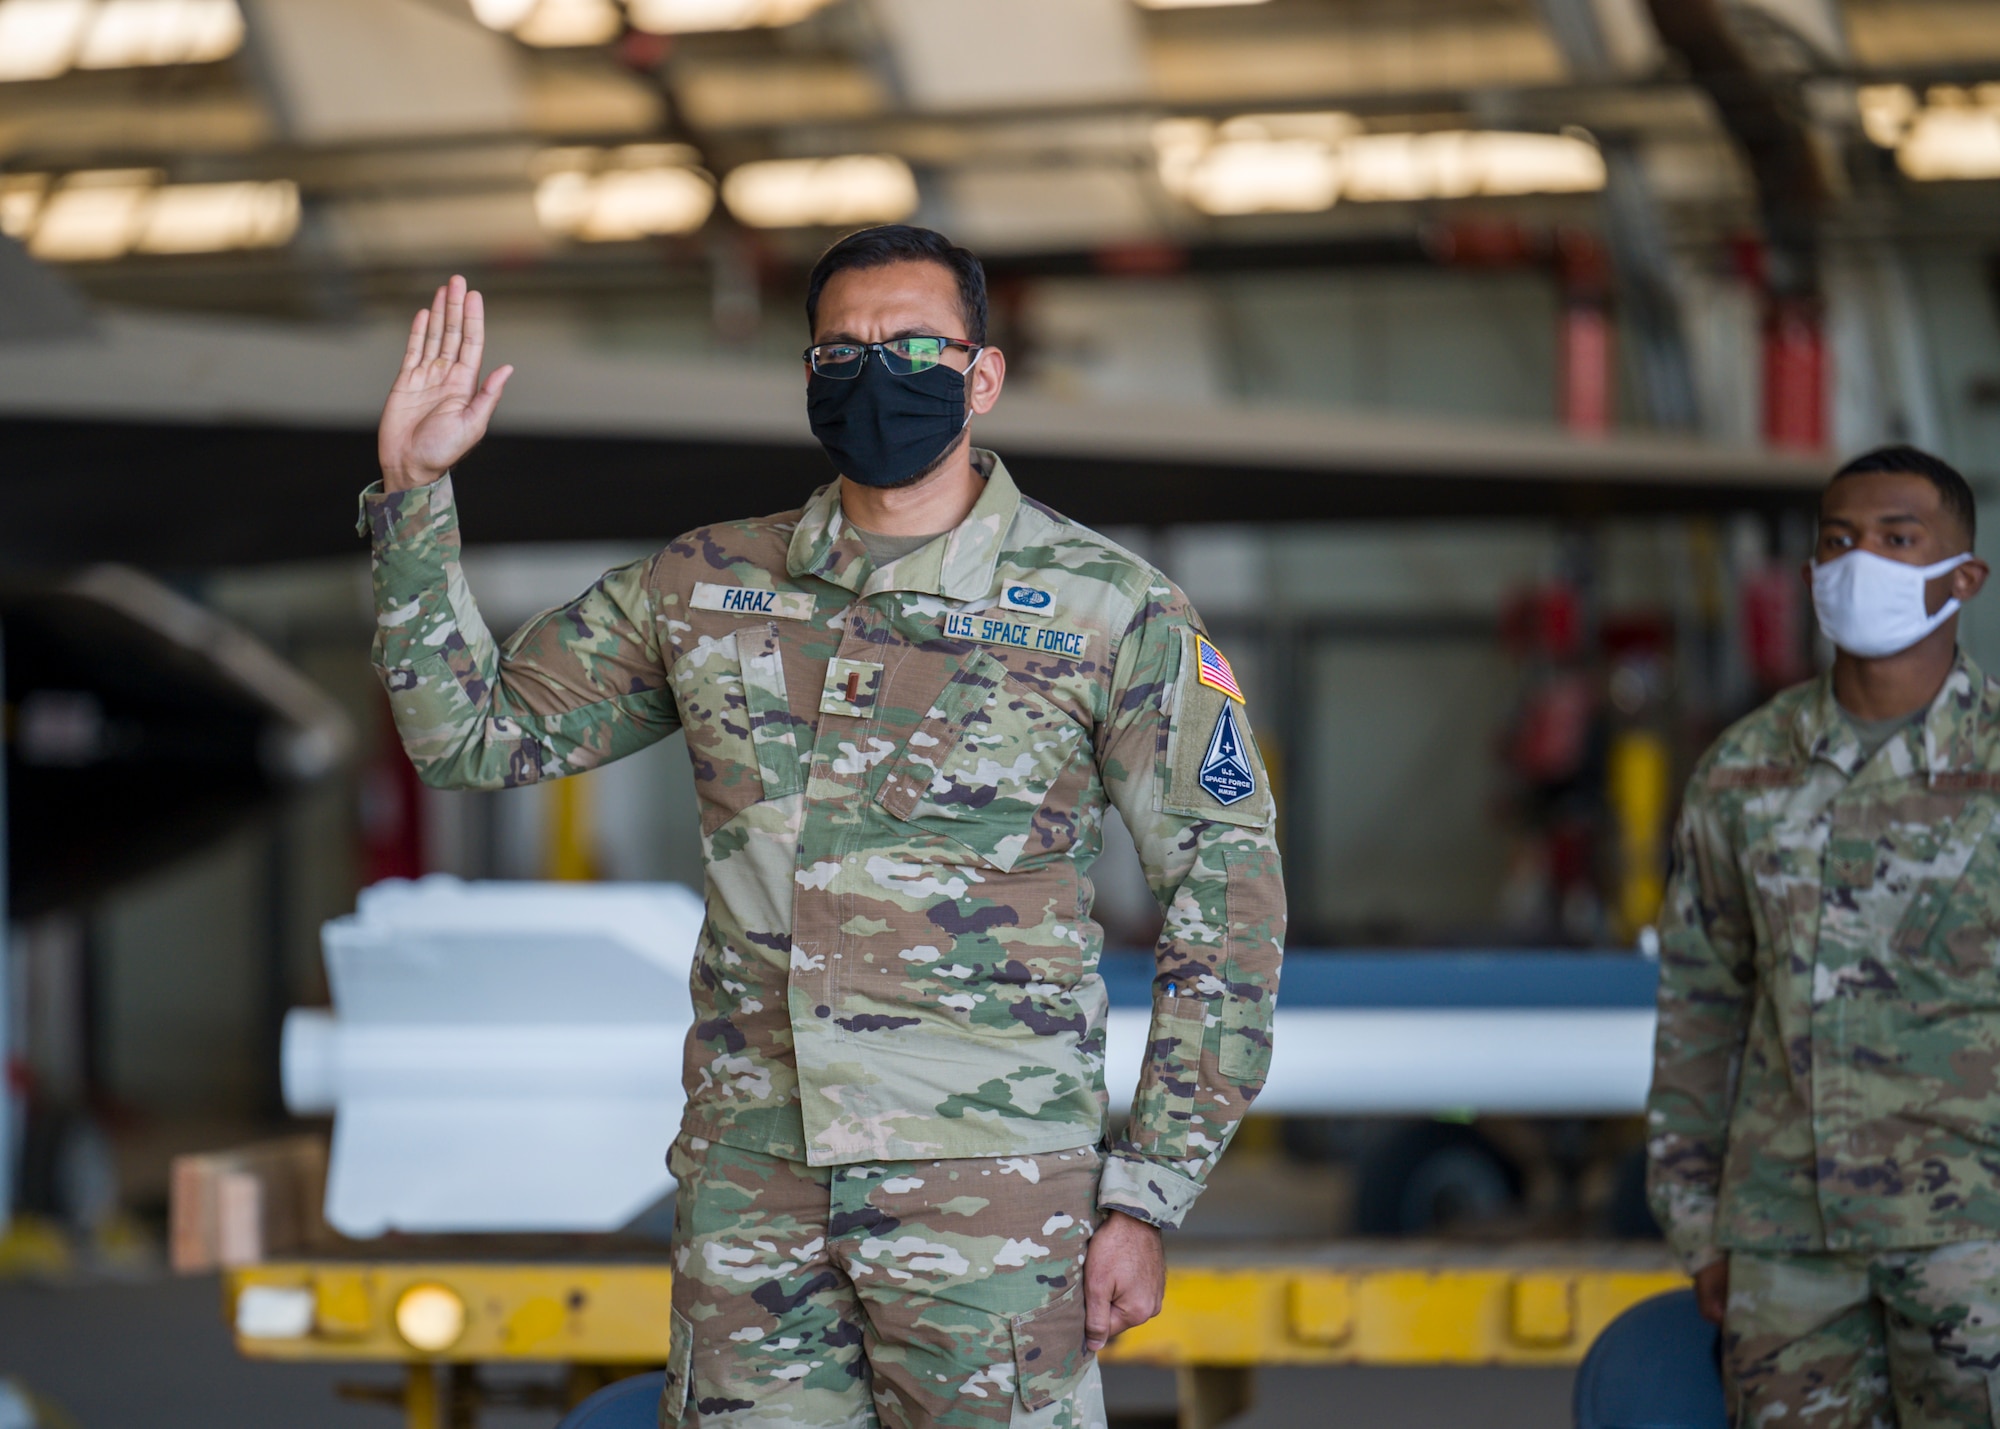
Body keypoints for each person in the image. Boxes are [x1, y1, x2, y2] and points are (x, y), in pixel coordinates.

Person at [363, 226, 1286, 1429]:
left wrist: (1146, 1193)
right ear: (808, 376)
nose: (875, 372)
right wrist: (414, 495)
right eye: (842, 350)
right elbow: (471, 735)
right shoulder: (702, 587)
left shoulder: (1106, 609)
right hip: (754, 1190)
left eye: (912, 346)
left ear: (982, 375)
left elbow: (1227, 899)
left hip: (990, 1200)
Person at [1648, 444, 2000, 1424]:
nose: (1860, 565)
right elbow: (1696, 1001)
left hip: (1972, 1230)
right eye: (1837, 541)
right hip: (1782, 1240)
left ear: (1959, 577)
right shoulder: (1743, 770)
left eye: (1897, 539)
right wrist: (1695, 1220)